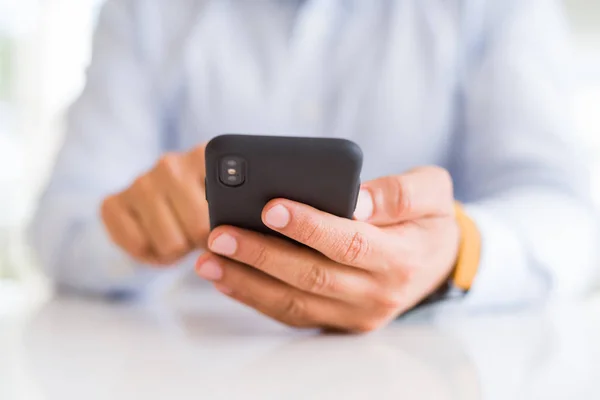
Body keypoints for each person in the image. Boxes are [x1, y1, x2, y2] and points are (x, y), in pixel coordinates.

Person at [29, 0, 598, 332]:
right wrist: (132, 230)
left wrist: (457, 254)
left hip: (433, 364)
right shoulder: (146, 11)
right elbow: (59, 226)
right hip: (199, 358)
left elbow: (565, 211)